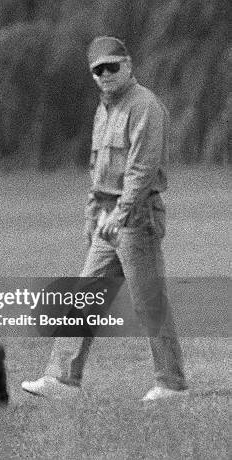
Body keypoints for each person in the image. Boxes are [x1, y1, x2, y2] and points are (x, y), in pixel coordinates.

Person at [21, 37, 188, 401]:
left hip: (136, 216)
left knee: (148, 300)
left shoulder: (144, 106)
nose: (106, 74)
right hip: (106, 220)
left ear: (128, 64)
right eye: (98, 70)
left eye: (112, 66)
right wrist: (92, 215)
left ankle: (171, 384)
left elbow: (142, 169)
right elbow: (98, 170)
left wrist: (121, 213)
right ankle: (63, 381)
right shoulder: (104, 109)